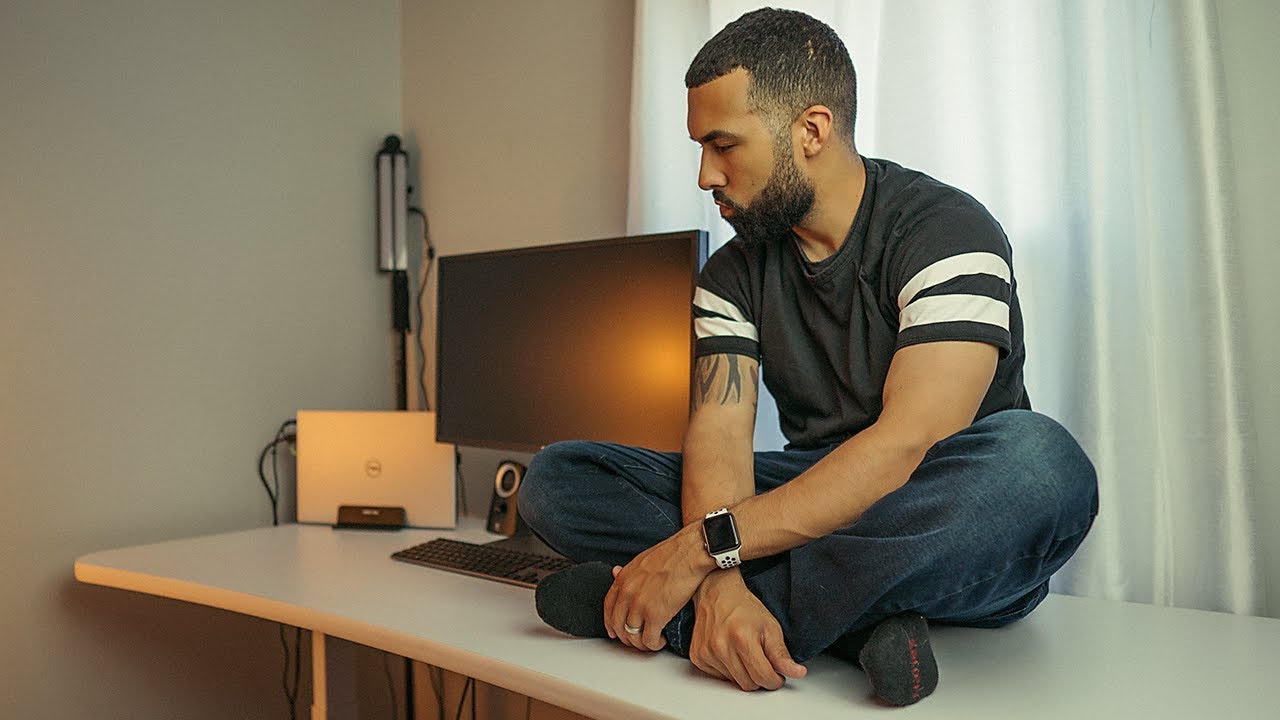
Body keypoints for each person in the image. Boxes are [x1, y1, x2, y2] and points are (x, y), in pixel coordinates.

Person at [519, 7, 1097, 707]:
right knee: (559, 478)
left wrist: (693, 554)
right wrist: (726, 577)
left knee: (1042, 465)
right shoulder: (731, 276)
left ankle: (702, 622)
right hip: (807, 493)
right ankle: (848, 622)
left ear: (812, 131)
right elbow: (719, 435)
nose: (705, 174)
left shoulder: (946, 231)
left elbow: (910, 442)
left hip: (939, 503)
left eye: (723, 144)